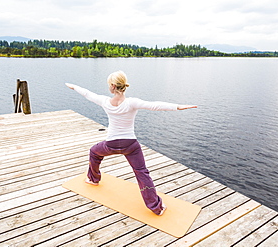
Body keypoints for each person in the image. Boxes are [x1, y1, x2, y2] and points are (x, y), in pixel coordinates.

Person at [65, 70, 197, 215]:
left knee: (94, 152)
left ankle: (93, 179)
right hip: (130, 146)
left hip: (111, 144)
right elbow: (154, 105)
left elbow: (87, 94)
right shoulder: (131, 102)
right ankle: (156, 207)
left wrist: (74, 87)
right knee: (142, 173)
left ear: (113, 86)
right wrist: (178, 106)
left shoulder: (104, 101)